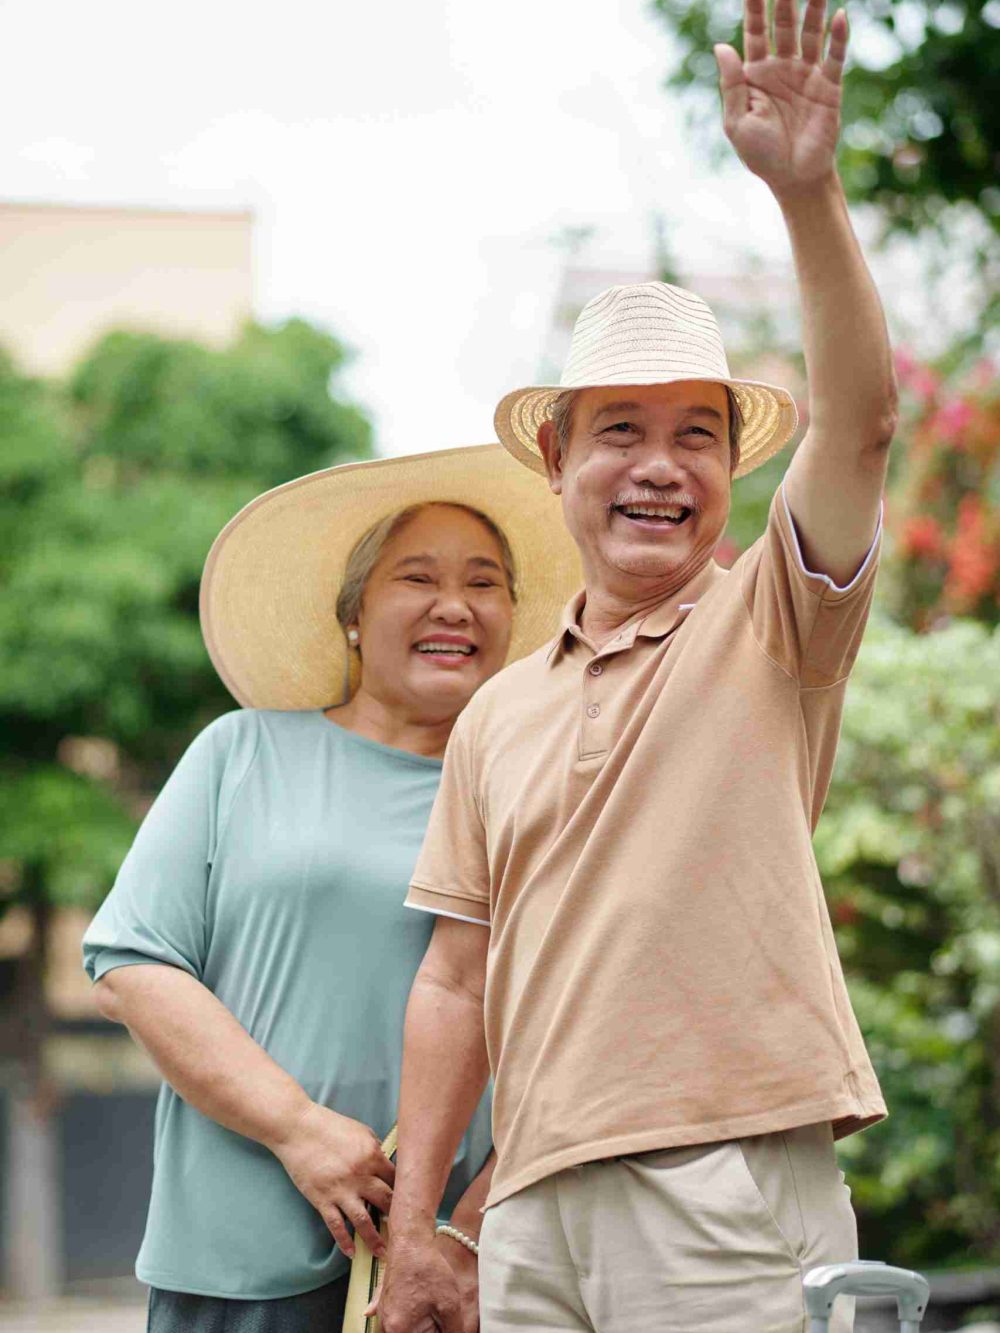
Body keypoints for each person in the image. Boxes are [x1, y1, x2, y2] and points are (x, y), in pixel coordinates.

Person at [379, 3, 897, 1331]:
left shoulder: (774, 622)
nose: (660, 465)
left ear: (734, 468)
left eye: (696, 435)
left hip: (727, 1187)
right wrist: (419, 1229)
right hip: (531, 1207)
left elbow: (865, 418)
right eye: (621, 430)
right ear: (555, 461)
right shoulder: (500, 710)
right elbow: (451, 980)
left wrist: (807, 187)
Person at [82, 445, 581, 1333]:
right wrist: (299, 1129)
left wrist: (462, 1239)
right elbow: (133, 962)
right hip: (234, 1256)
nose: (454, 605)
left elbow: (577, 1040)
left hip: (451, 1278)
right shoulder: (242, 753)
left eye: (486, 583)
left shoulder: (542, 799)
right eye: (416, 576)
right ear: (354, 612)